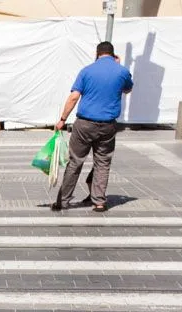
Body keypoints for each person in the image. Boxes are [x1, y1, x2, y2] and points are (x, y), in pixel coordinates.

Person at [52, 41, 133, 213]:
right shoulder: (122, 72)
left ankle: (63, 201)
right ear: (113, 55)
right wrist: (118, 66)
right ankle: (99, 202)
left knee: (75, 162)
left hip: (84, 125)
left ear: (97, 54)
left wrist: (62, 119)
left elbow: (74, 97)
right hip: (108, 126)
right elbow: (127, 89)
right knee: (102, 162)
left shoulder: (86, 71)